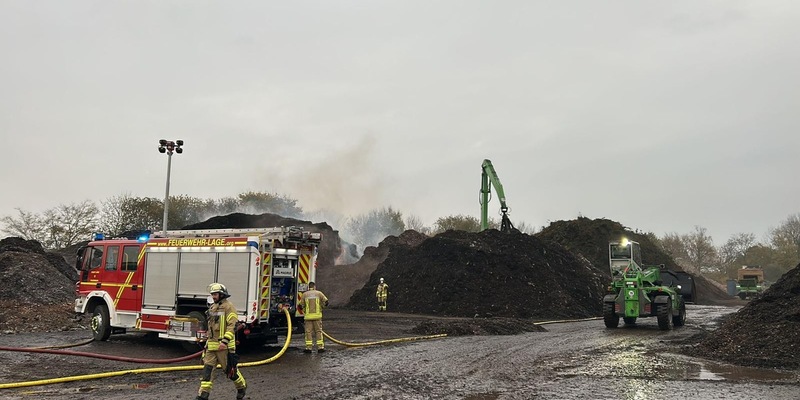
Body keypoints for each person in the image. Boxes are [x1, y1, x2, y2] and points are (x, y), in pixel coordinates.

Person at [197, 283, 247, 400]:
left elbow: (232, 325)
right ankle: (202, 395)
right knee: (207, 372)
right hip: (211, 347)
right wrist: (206, 339)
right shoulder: (213, 308)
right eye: (212, 294)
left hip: (224, 347)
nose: (213, 297)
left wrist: (224, 342)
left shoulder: (229, 307)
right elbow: (211, 326)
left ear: (222, 294)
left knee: (230, 371)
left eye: (215, 294)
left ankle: (241, 387)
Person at [300, 281, 328, 353]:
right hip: (317, 317)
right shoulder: (319, 293)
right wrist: (322, 307)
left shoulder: (305, 294)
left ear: (308, 287)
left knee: (308, 332)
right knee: (318, 331)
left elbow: (300, 305)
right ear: (314, 286)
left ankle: (308, 348)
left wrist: (304, 310)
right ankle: (320, 347)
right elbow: (326, 302)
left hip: (308, 317)